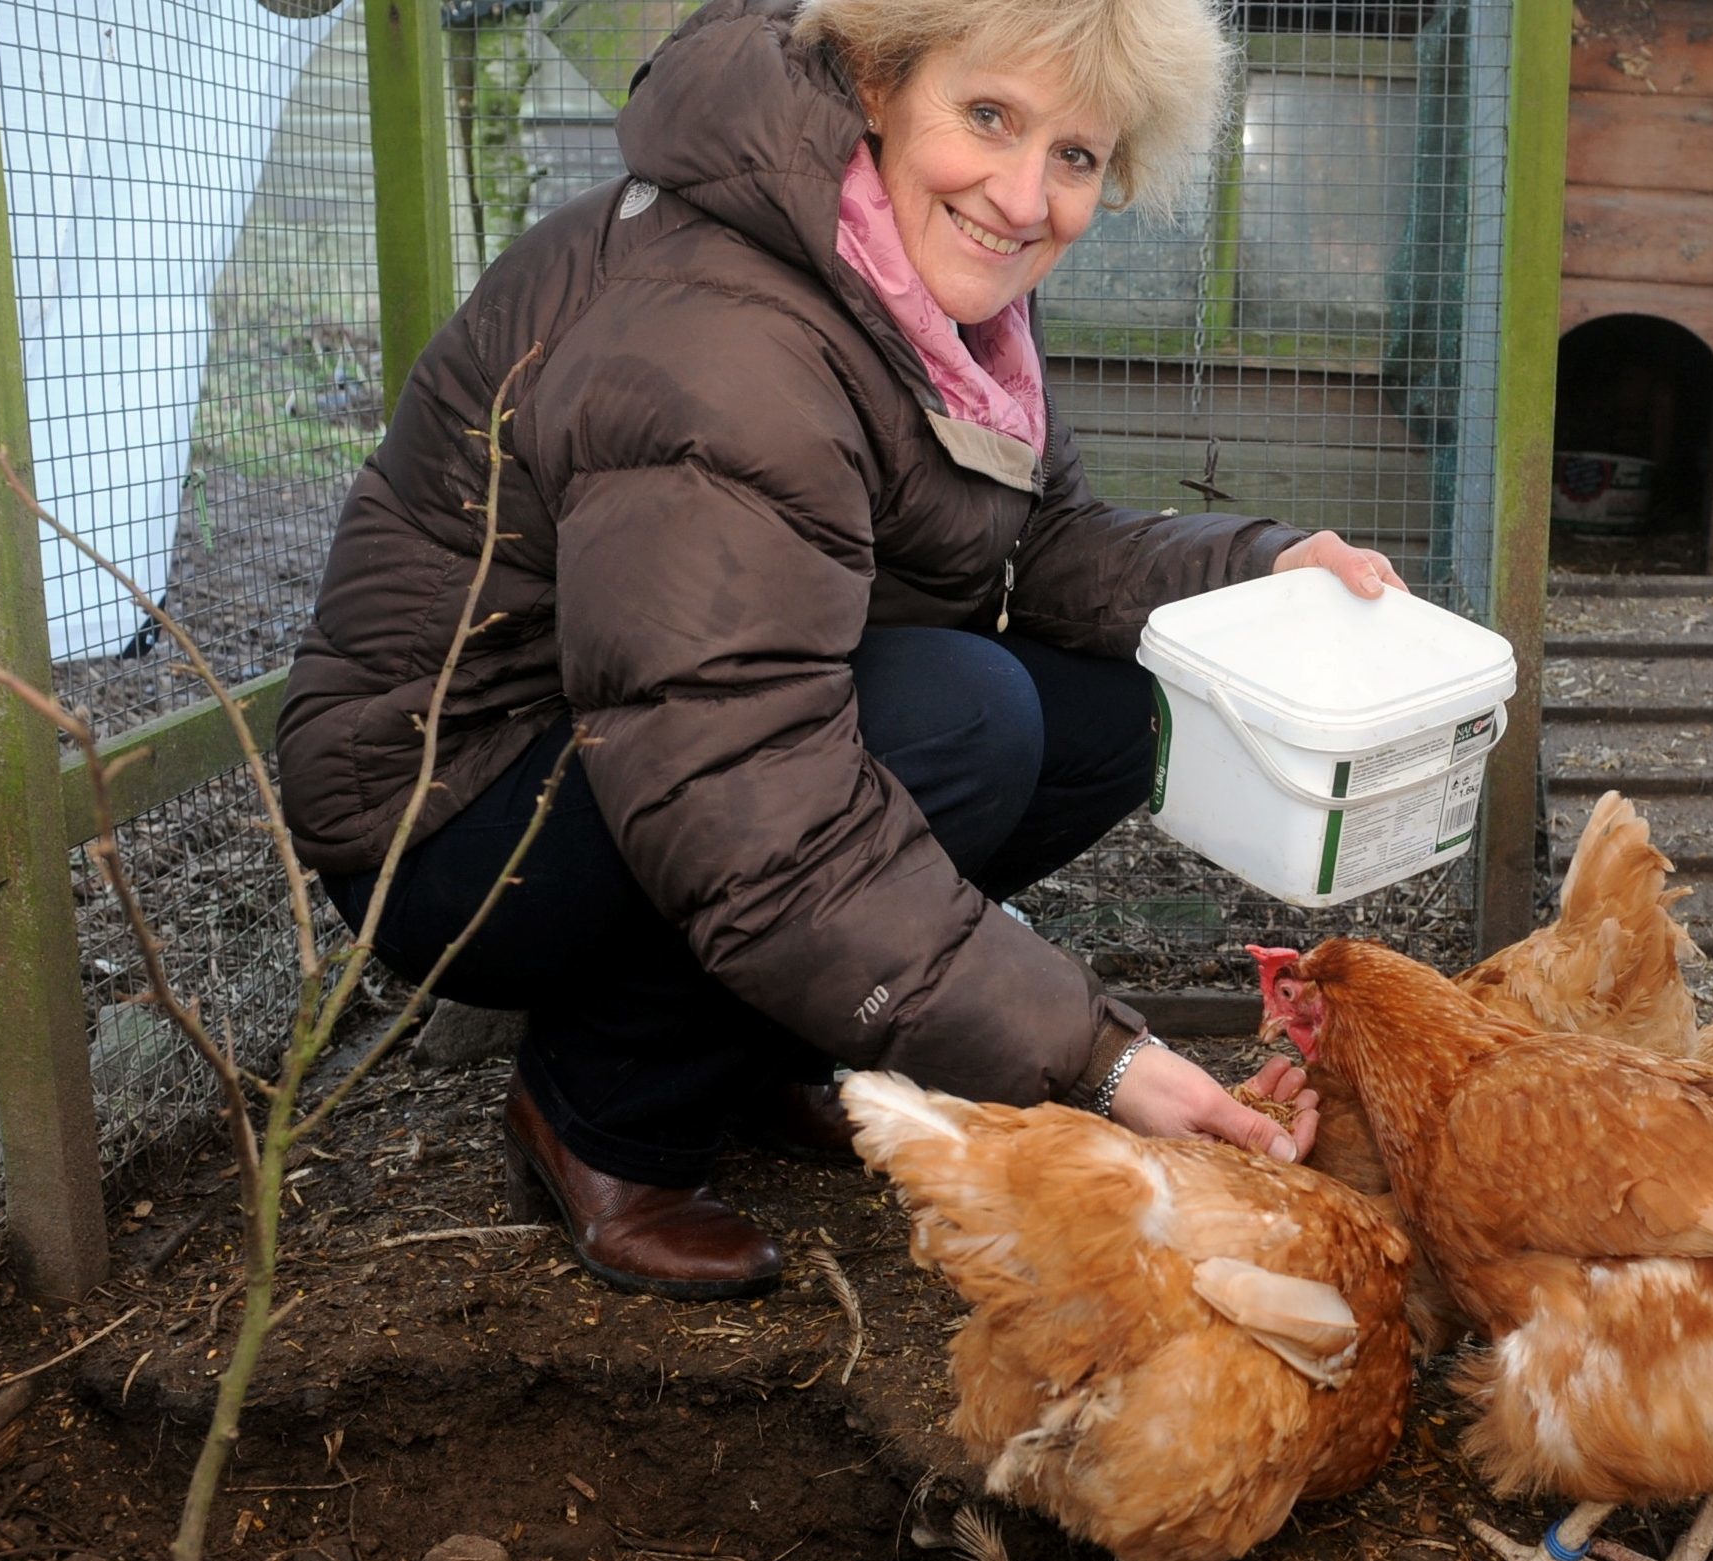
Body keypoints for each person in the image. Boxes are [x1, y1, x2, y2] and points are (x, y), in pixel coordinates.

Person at [276, 0, 1401, 1300]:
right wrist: (1099, 1058)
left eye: (1077, 156)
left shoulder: (922, 290)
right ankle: (601, 1119)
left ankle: (760, 1040)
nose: (1024, 196)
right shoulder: (724, 334)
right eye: (990, 118)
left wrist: (1256, 567)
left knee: (1113, 703)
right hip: (451, 821)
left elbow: (1042, 554)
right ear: (876, 81)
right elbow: (737, 786)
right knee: (963, 717)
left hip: (647, 745)